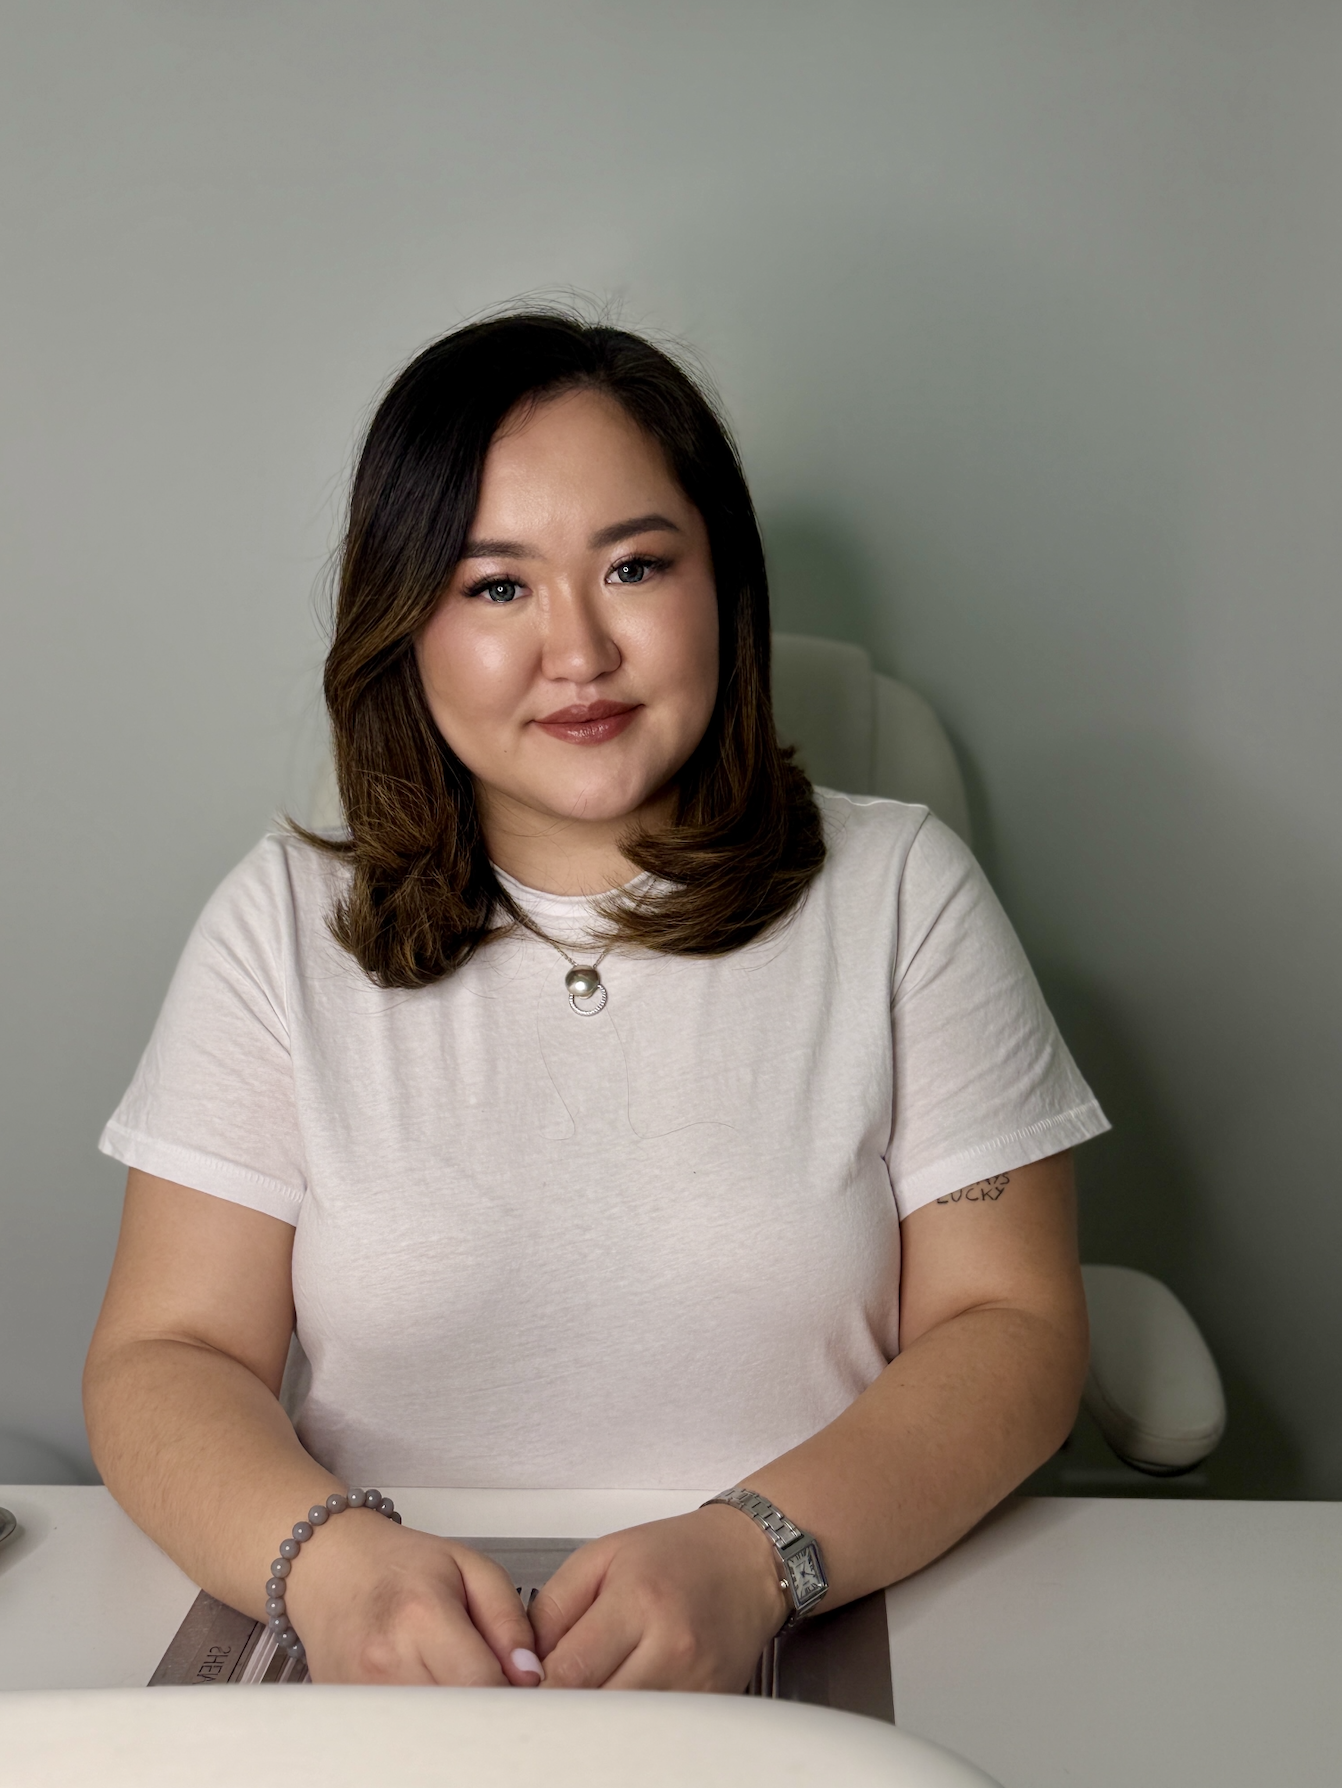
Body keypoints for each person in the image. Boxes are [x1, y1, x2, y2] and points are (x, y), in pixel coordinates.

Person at [83, 311, 1108, 1692]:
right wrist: (326, 1564)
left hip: (808, 1601)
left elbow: (1012, 1328)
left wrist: (754, 1556)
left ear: (722, 588)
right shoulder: (279, 928)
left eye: (633, 566)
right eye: (493, 585)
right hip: (383, 1643)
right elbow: (169, 1350)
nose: (577, 650)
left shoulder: (899, 895)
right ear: (406, 624)